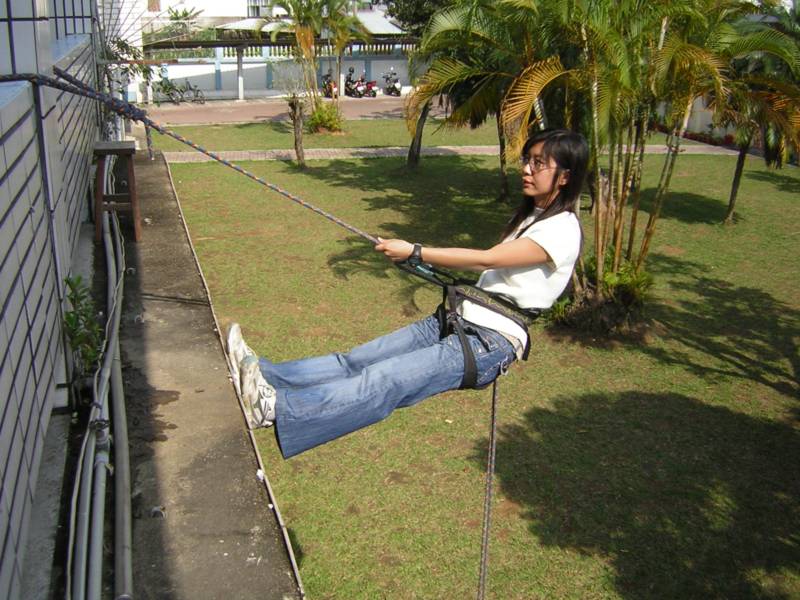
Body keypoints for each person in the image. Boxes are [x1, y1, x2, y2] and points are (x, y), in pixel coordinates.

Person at [227, 129, 589, 459]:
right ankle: (265, 375)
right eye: (527, 160)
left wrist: (416, 251)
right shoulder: (534, 216)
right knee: (356, 361)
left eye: (538, 163)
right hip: (457, 320)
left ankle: (274, 409)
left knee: (383, 381)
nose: (526, 169)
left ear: (565, 176)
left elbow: (487, 259)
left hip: (487, 342)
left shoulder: (563, 229)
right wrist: (415, 257)